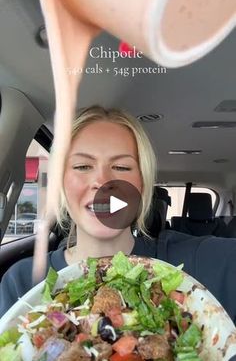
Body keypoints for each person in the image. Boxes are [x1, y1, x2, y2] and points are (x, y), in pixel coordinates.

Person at [1, 105, 236, 324]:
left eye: (121, 168)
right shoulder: (23, 282)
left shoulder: (200, 261)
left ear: (142, 185)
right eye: (82, 166)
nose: (103, 182)